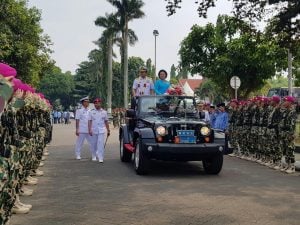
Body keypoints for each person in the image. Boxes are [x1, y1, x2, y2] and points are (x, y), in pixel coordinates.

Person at [88, 98, 110, 163]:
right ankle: (94, 155)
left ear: (100, 103)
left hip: (101, 130)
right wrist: (89, 129)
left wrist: (108, 130)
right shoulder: (91, 112)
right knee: (93, 144)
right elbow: (89, 121)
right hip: (93, 130)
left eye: (98, 103)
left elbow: (106, 121)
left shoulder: (104, 112)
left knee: (100, 144)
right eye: (95, 103)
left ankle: (100, 157)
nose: (96, 104)